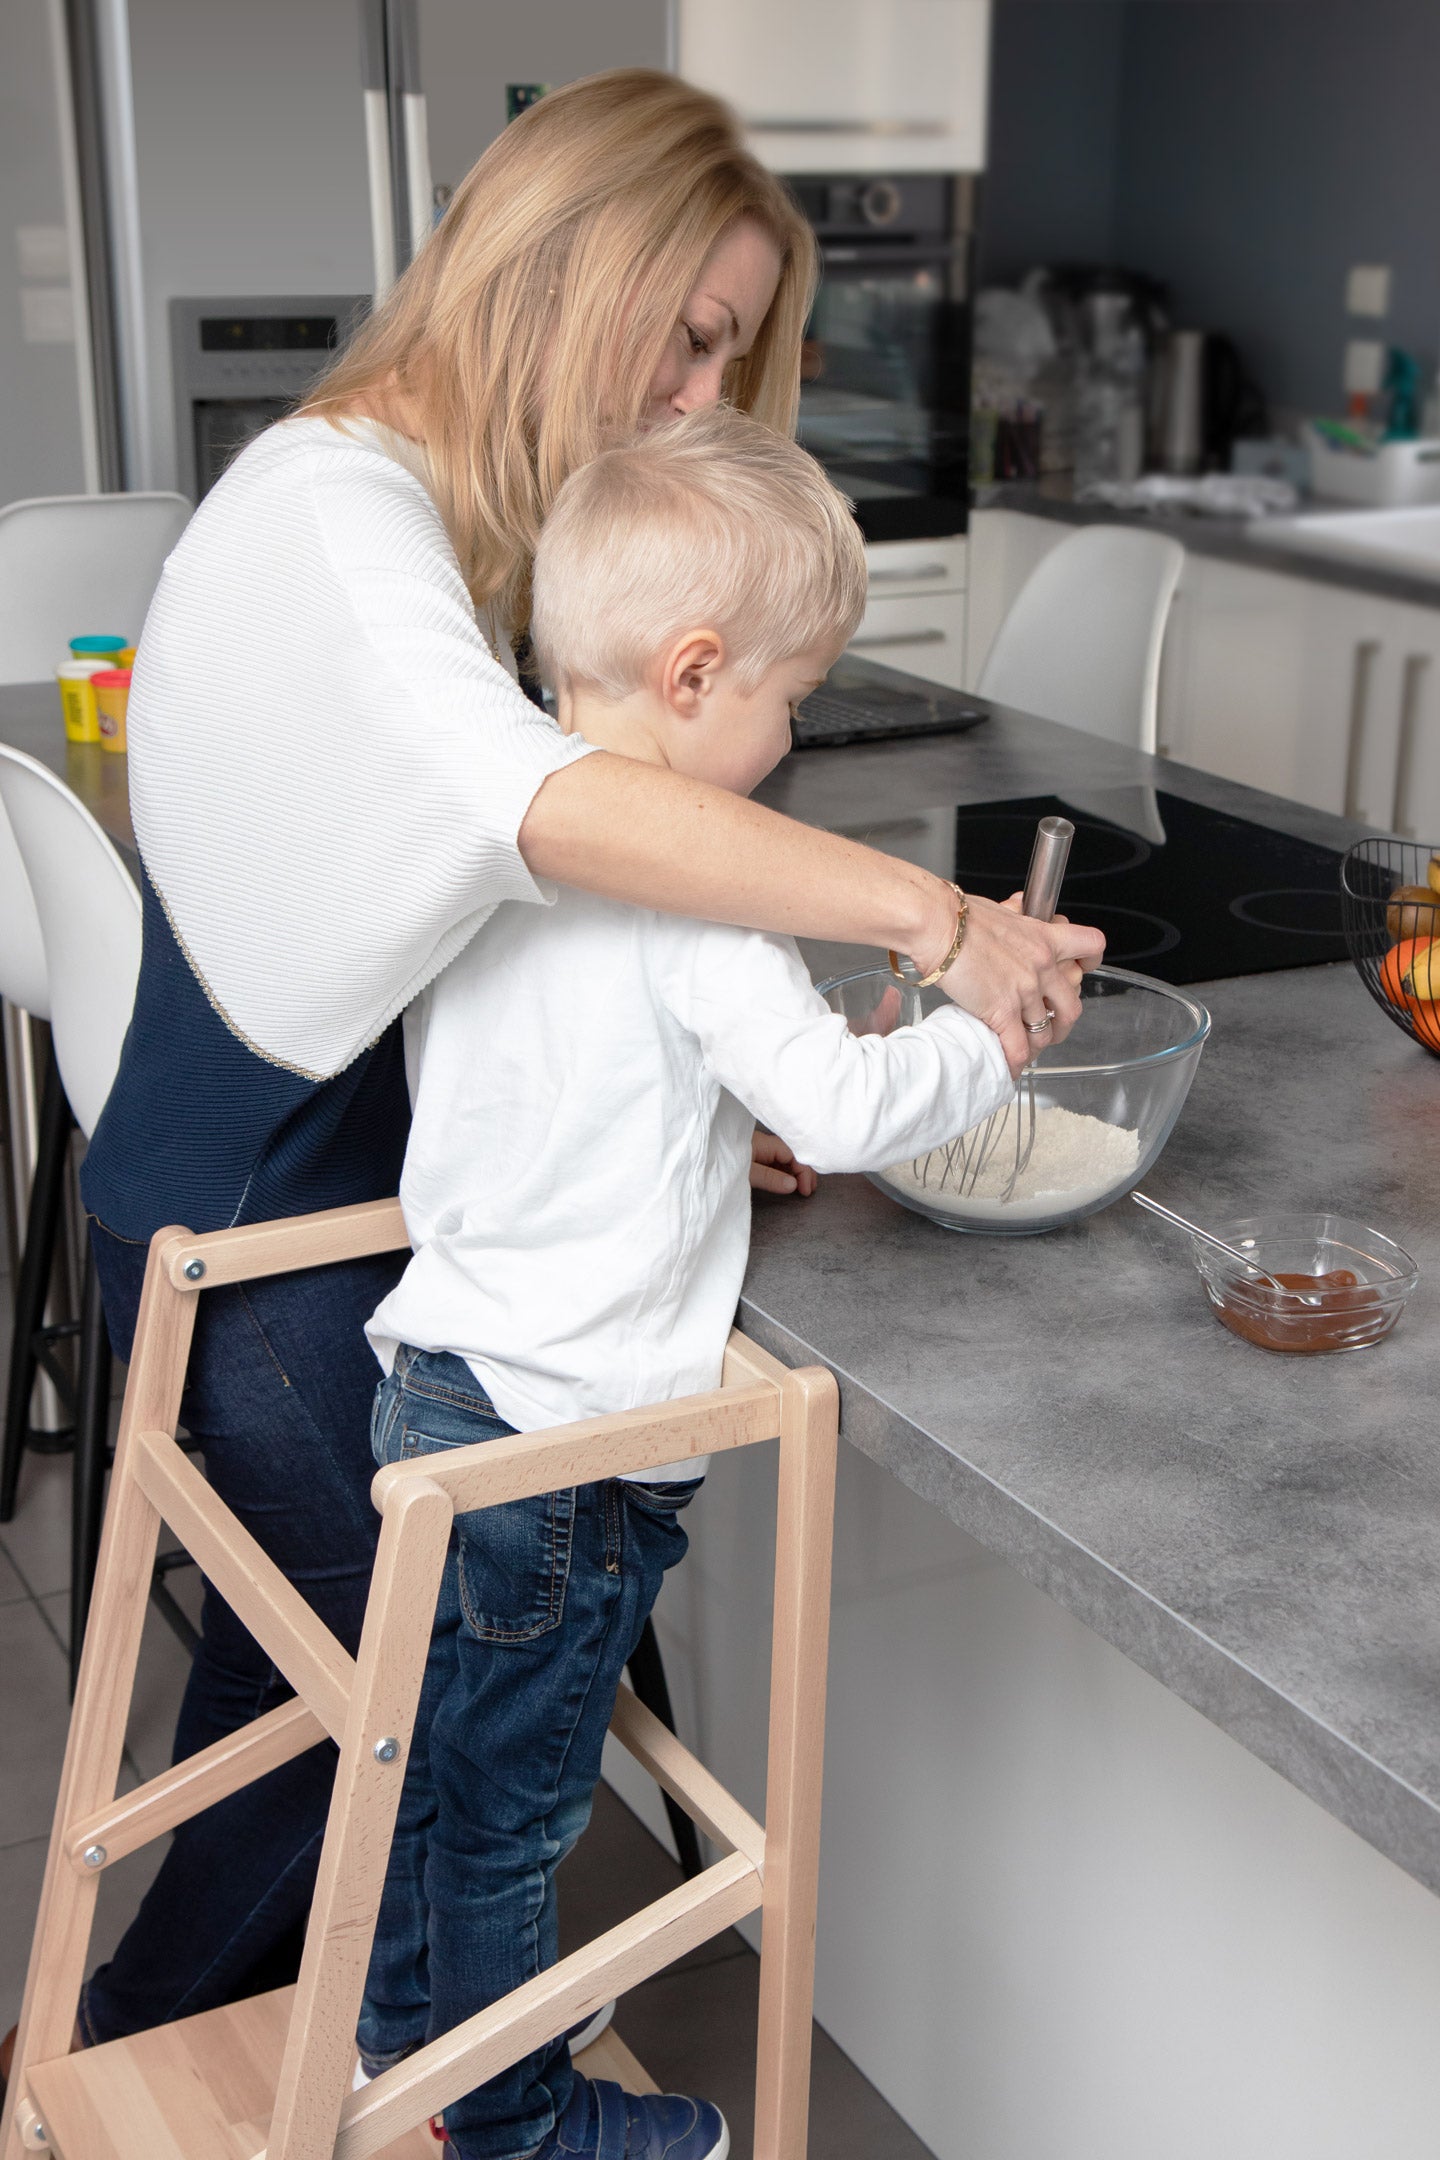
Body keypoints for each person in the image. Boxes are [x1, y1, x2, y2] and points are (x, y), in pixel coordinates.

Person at [45, 68, 1100, 2067]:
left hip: (285, 1178)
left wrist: (680, 1113)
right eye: (696, 336)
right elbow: (550, 813)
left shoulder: (413, 507)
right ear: (576, 260)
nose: (707, 396)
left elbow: (482, 950)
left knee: (298, 1725)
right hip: (269, 1226)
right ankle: (190, 2048)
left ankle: (234, 2044)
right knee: (377, 1706)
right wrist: (937, 925)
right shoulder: (347, 521)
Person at [354, 405, 1020, 2160]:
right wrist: (985, 1040)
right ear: (698, 670)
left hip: (437, 1390)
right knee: (519, 1810)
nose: (795, 738)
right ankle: (508, 2124)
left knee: (440, 1771)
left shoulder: (497, 841)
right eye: (793, 697)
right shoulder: (706, 905)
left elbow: (556, 1101)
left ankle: (397, 2052)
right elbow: (853, 1109)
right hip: (568, 1453)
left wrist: (715, 1142)